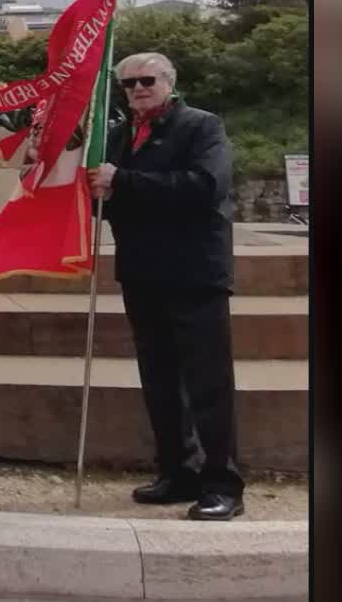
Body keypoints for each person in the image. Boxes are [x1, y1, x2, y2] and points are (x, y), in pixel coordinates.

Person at [88, 52, 244, 521]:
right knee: (160, 382)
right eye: (129, 83)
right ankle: (179, 473)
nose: (137, 88)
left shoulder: (201, 126)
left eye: (147, 80)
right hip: (143, 273)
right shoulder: (117, 136)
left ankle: (223, 485)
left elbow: (204, 186)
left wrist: (124, 181)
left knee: (208, 384)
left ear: (169, 82)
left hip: (195, 273)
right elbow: (116, 200)